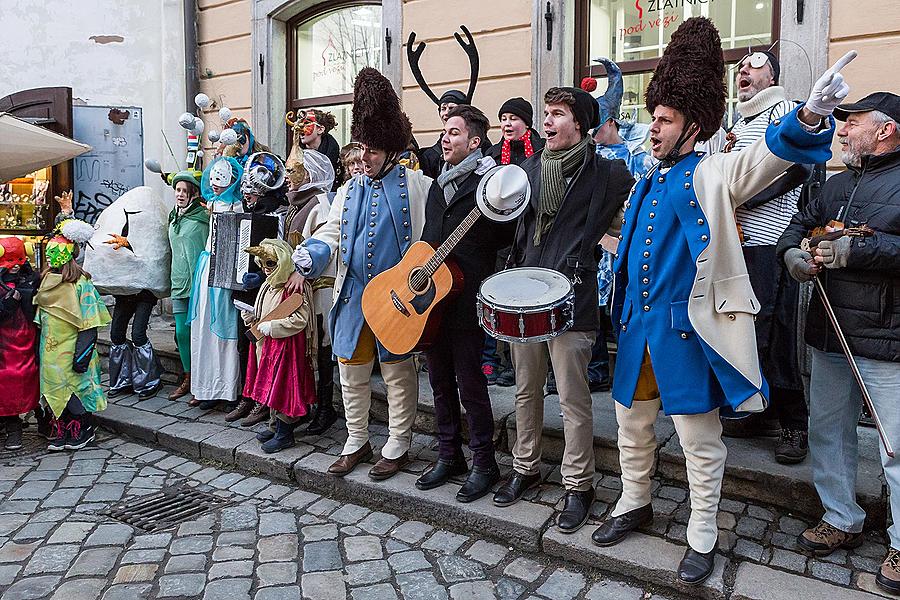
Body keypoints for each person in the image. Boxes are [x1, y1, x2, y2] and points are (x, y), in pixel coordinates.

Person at [591, 17, 850, 585]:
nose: (652, 129)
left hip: (687, 333)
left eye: (664, 120)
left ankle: (702, 532)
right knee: (631, 424)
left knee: (698, 441)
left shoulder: (716, 171)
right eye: (653, 118)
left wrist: (809, 115)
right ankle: (634, 501)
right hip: (636, 329)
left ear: (693, 126)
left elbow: (768, 159)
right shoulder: (644, 180)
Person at [776, 91, 900, 594]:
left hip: (887, 336)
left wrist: (859, 251)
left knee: (896, 446)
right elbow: (796, 229)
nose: (841, 131)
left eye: (851, 123)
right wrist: (792, 256)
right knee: (828, 430)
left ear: (886, 129)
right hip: (830, 332)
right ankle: (841, 516)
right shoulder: (835, 182)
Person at [494, 84, 633, 533]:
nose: (547, 122)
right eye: (546, 114)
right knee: (525, 390)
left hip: (573, 297)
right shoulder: (527, 169)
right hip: (523, 297)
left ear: (580, 123)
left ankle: (579, 485)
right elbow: (510, 229)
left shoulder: (608, 174)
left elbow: (622, 232)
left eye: (556, 114)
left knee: (573, 399)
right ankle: (525, 468)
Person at [292, 67, 431, 481]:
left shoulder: (419, 186)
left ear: (390, 147)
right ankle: (356, 439)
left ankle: (398, 442)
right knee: (350, 367)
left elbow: (428, 243)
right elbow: (331, 232)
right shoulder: (349, 189)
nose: (364, 157)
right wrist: (308, 255)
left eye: (372, 150)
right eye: (361, 148)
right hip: (352, 292)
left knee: (396, 370)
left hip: (395, 298)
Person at [416, 105, 517, 502]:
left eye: (454, 133)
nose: (445, 138)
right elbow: (427, 240)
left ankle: (484, 463)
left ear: (475, 141)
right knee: (438, 380)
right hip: (432, 300)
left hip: (468, 297)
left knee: (471, 383)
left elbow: (505, 238)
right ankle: (448, 454)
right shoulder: (438, 185)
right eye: (445, 131)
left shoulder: (490, 185)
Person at [721, 50, 813, 463]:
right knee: (746, 334)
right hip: (739, 243)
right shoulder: (738, 122)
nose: (743, 72)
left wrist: (750, 197)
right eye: (739, 68)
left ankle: (795, 424)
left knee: (777, 337)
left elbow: (801, 167)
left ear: (772, 74)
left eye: (752, 66)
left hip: (773, 242)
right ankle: (760, 412)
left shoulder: (787, 110)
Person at [83, 187, 171, 401]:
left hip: (144, 292)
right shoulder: (116, 218)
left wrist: (129, 243)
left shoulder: (146, 220)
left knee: (138, 333)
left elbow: (150, 247)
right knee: (116, 334)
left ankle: (149, 380)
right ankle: (123, 378)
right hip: (124, 292)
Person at [483, 97, 546, 387]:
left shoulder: (544, 151)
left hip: (533, 236)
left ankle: (539, 367)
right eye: (503, 118)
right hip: (502, 238)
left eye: (513, 118)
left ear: (527, 122)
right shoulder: (493, 155)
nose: (507, 124)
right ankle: (504, 362)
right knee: (505, 300)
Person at [36, 218, 111, 451]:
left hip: (73, 348)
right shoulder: (47, 281)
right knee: (54, 388)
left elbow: (90, 323)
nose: (49, 257)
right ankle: (62, 426)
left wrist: (82, 354)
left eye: (54, 252)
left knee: (76, 389)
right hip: (50, 349)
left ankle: (82, 427)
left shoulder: (81, 284)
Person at [225, 152, 289, 426]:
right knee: (244, 347)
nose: (248, 199)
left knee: (263, 348)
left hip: (267, 294)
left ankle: (264, 401)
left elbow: (284, 255)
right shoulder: (244, 213)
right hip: (244, 294)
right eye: (246, 194)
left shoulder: (278, 214)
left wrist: (264, 278)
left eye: (252, 195)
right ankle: (247, 396)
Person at [242, 239, 318, 453]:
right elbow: (265, 312)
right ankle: (275, 426)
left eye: (271, 264)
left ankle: (285, 433)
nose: (266, 270)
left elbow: (300, 320)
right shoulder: (268, 284)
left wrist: (272, 327)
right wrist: (252, 317)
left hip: (287, 349)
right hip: (267, 348)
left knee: (283, 388)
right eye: (263, 265)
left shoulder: (294, 287)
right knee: (270, 387)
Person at [187, 156, 245, 411]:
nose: (217, 186)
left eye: (223, 181)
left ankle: (226, 388)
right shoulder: (212, 205)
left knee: (223, 331)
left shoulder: (237, 208)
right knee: (203, 331)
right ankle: (205, 387)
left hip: (223, 274)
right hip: (207, 270)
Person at [166, 169, 209, 401]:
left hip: (197, 283)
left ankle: (202, 382)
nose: (180, 194)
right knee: (182, 333)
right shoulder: (172, 217)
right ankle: (188, 377)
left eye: (185, 191)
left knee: (197, 334)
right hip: (178, 281)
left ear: (193, 194)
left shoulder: (202, 218)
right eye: (178, 190)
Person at [0, 237, 40, 450]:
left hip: (28, 338)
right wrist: (6, 304)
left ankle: (42, 417)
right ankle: (12, 424)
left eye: (19, 259)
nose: (15, 264)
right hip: (4, 345)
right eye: (10, 259)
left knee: (32, 377)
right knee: (6, 381)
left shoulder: (31, 278)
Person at [298, 109, 341, 185]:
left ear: (320, 129)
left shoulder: (335, 157)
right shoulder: (296, 154)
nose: (300, 127)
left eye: (307, 123)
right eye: (299, 123)